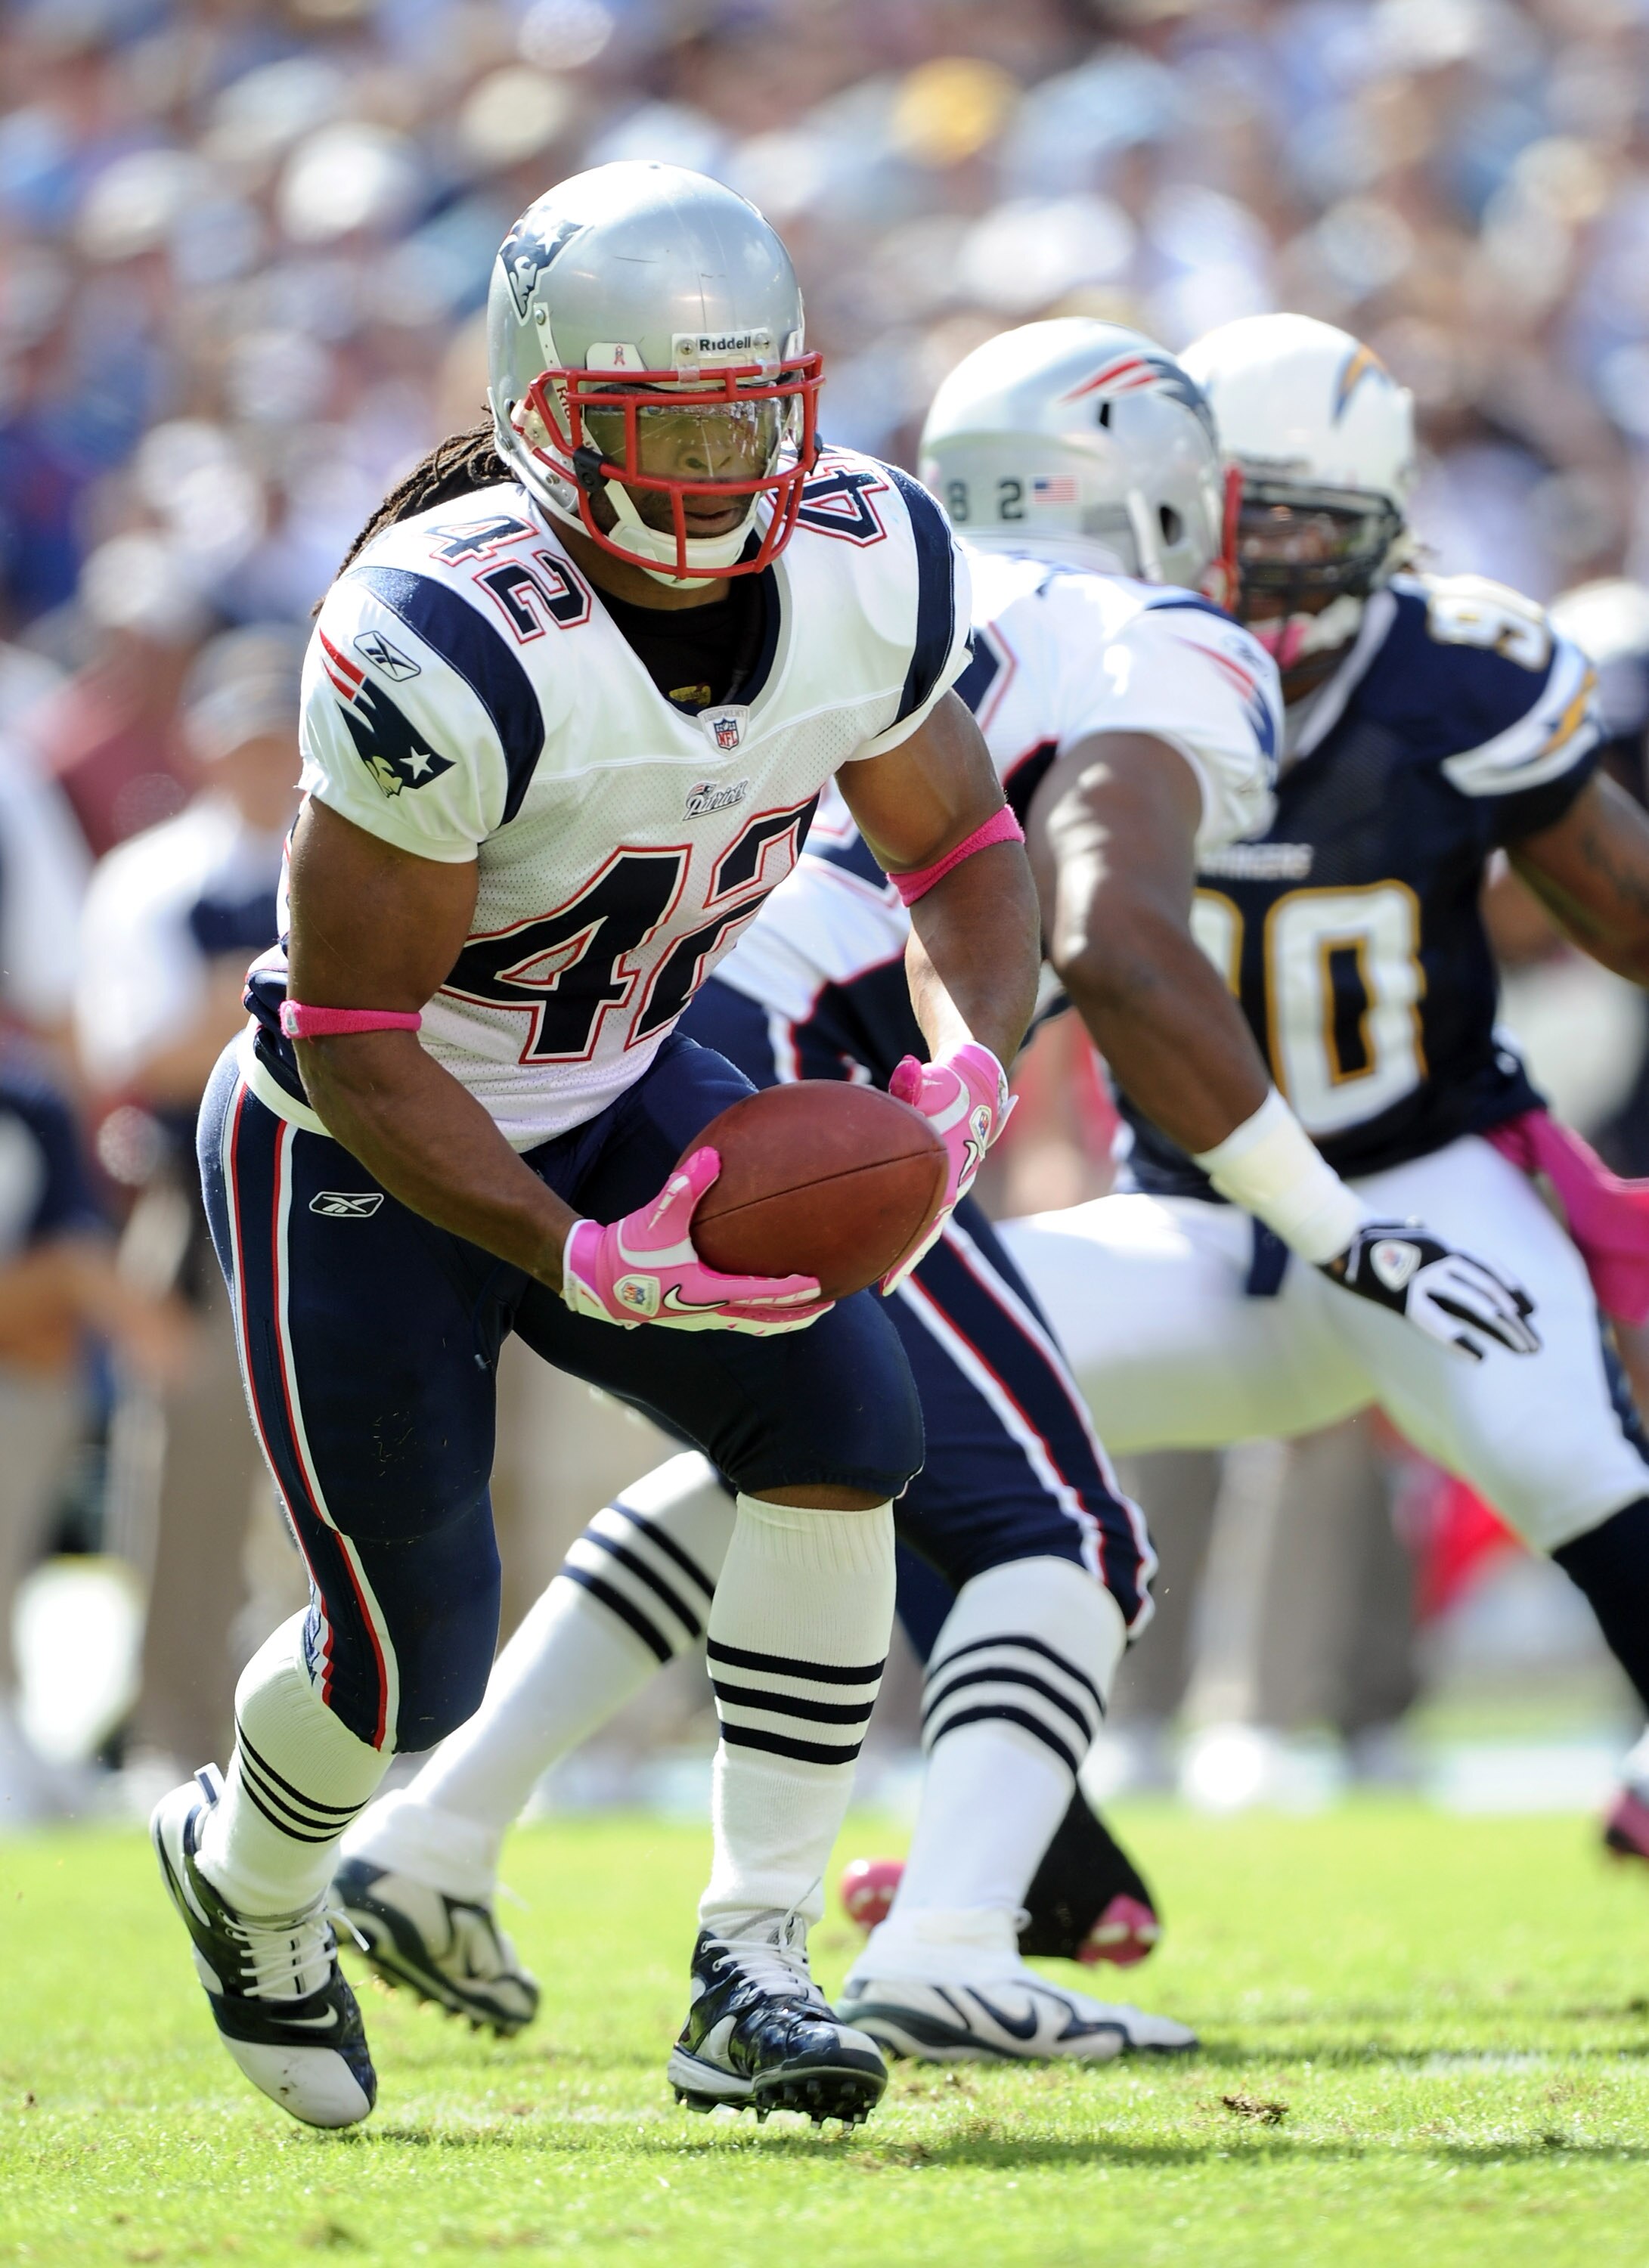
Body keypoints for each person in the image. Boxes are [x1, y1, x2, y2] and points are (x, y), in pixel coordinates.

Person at [330, 320, 1530, 2065]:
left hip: (630, 1066)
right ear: (1154, 493)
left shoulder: (853, 570)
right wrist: (1332, 1220)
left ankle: (438, 1830)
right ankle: (946, 1942)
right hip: (798, 1095)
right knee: (1061, 1538)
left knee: (775, 1479)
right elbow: (1110, 938)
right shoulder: (1153, 633)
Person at [147, 162, 1042, 2135]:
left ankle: (753, 1962)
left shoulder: (860, 556)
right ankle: (249, 1877)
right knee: (411, 1665)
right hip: (368, 1139)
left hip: (626, 1070)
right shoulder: (439, 633)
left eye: (755, 417)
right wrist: (575, 1250)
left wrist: (972, 1058)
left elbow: (965, 851)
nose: (728, 472)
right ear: (551, 411)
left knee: (841, 1436)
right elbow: (364, 1032)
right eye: (672, 427)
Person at [993, 314, 1649, 1864]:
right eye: (1233, 523)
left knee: (1571, 1458)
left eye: (1304, 529)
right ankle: (1022, 1851)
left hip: (1422, 1164)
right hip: (1183, 1201)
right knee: (884, 1392)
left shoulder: (1456, 673)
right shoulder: (1084, 656)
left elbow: (1623, 912)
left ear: (1385, 529)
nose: (1263, 569)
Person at [76, 627, 311, 1788]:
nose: (270, 762)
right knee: (191, 1481)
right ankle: (171, 1736)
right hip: (203, 1200)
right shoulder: (160, 876)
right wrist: (256, 1000)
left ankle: (330, 1748)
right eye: (251, 738)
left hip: (340, 1195)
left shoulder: (355, 857)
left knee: (349, 1485)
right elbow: (136, 1061)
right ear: (209, 746)